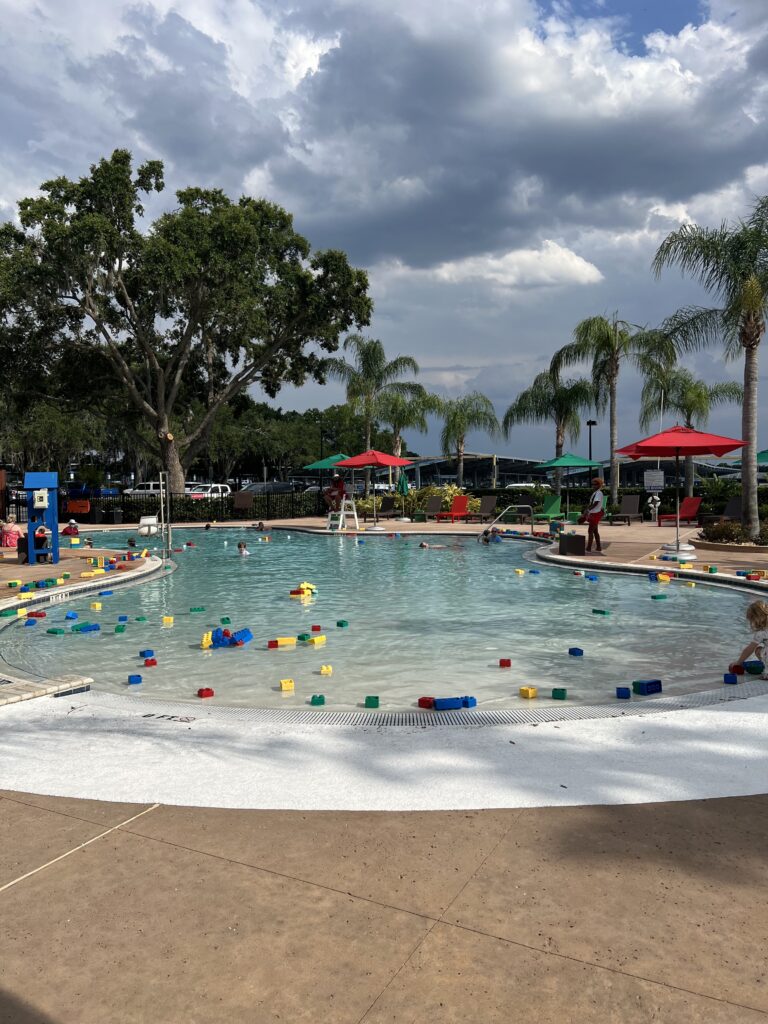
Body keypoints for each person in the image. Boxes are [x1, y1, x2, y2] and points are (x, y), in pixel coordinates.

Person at [732, 600, 768, 673]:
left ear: (757, 618)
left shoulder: (761, 633)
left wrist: (738, 662)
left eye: (752, 620)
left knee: (758, 650)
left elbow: (749, 650)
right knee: (759, 649)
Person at [584, 477, 605, 554]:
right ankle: (598, 547)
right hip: (594, 513)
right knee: (595, 531)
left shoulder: (599, 493)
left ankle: (588, 548)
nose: (593, 486)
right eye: (592, 484)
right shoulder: (596, 493)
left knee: (590, 531)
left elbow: (596, 503)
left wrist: (588, 509)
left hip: (595, 514)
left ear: (599, 485)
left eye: (595, 484)